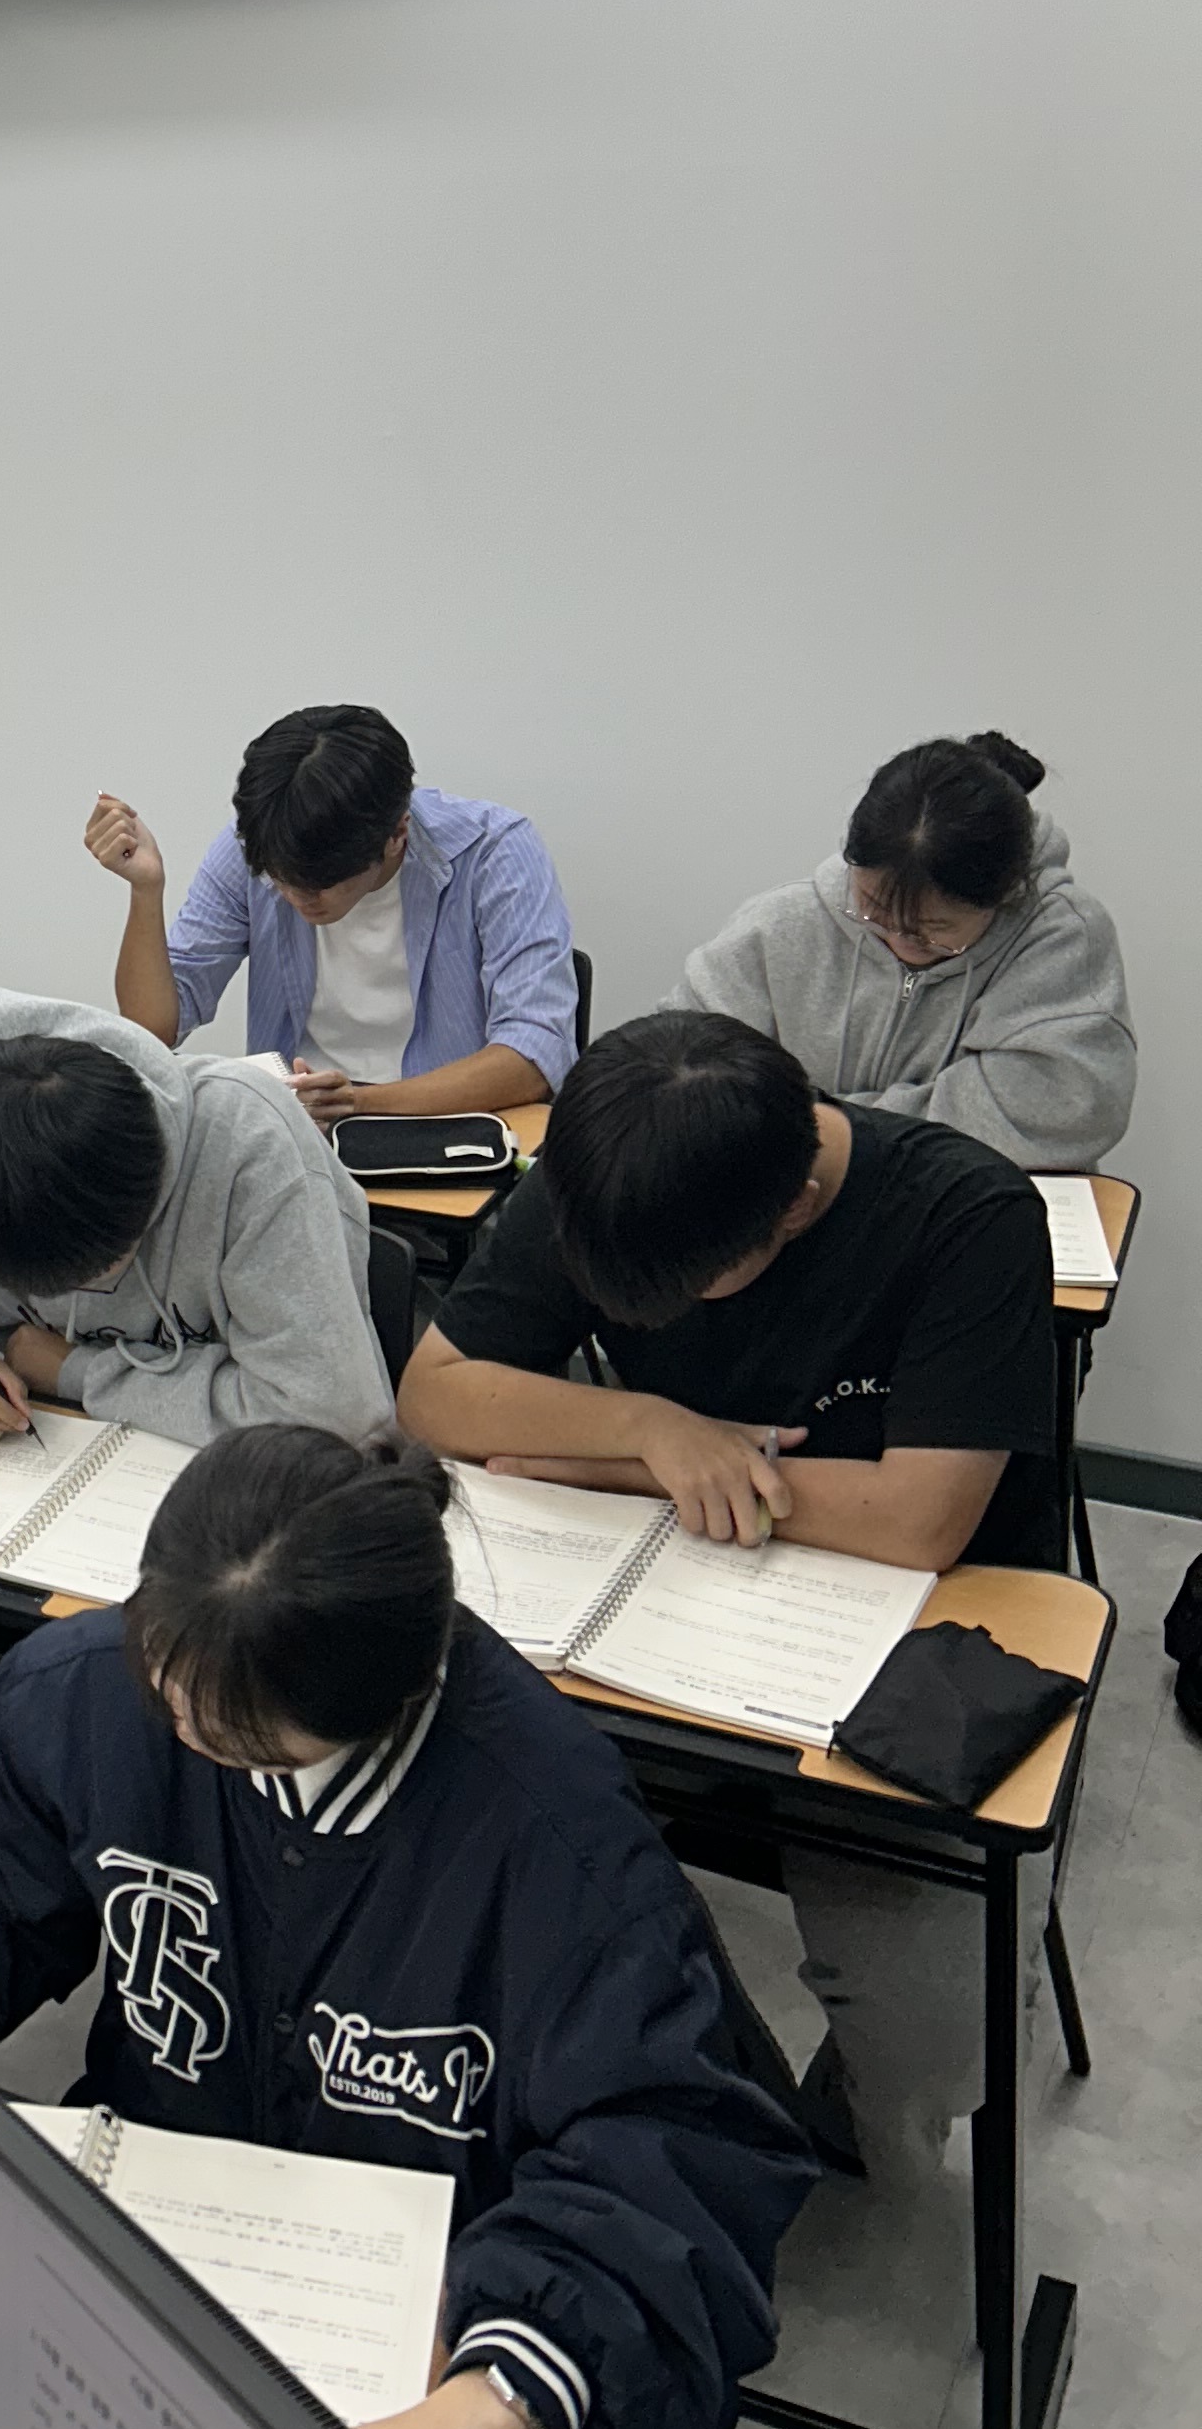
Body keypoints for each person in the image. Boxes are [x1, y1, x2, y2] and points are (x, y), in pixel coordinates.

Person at [0, 1424, 808, 2429]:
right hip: (149, 2250)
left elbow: (666, 2166)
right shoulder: (91, 1691)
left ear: (393, 1698)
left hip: (428, 2321)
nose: (180, 1725)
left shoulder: (557, 1842)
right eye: (161, 1681)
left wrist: (487, 2411)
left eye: (233, 1736)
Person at [395, 1010, 1057, 2194]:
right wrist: (650, 1427)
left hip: (903, 1648)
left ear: (793, 1207)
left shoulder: (970, 1215)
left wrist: (621, 1468)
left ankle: (832, 2123)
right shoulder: (613, 1169)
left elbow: (920, 1521)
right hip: (649, 1627)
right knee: (448, 1852)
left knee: (928, 2028)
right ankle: (657, 2099)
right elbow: (436, 1396)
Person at [0, 992, 388, 1450]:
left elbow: (331, 1418)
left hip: (216, 1483)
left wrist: (77, 1371)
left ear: (155, 1184)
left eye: (107, 1268)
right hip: (34, 1453)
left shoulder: (250, 1149)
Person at [87, 705, 578, 1127]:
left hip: (445, 1127)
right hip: (299, 1133)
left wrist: (359, 1104)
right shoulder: (257, 846)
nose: (295, 897)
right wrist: (146, 890)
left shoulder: (494, 853)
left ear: (396, 835)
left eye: (318, 884)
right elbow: (154, 1032)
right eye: (280, 879)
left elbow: (535, 1055)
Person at [680, 731, 1133, 1174]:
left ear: (1004, 896)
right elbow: (684, 1074)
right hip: (798, 1197)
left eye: (933, 931)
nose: (899, 942)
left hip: (975, 1199)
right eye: (873, 910)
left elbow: (1060, 1111)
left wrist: (812, 1128)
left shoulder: (1061, 937)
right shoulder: (778, 925)